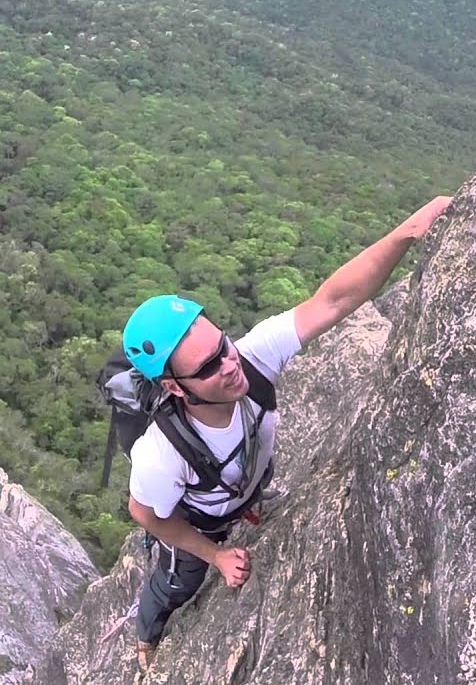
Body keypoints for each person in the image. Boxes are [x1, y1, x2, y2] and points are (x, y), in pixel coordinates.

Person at [122, 195, 452, 672]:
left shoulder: (251, 359)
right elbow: (145, 513)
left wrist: (407, 231)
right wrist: (214, 555)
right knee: (176, 583)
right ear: (175, 387)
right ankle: (147, 639)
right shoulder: (161, 456)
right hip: (203, 524)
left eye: (224, 346)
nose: (231, 365)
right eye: (210, 366)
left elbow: (334, 299)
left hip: (248, 491)